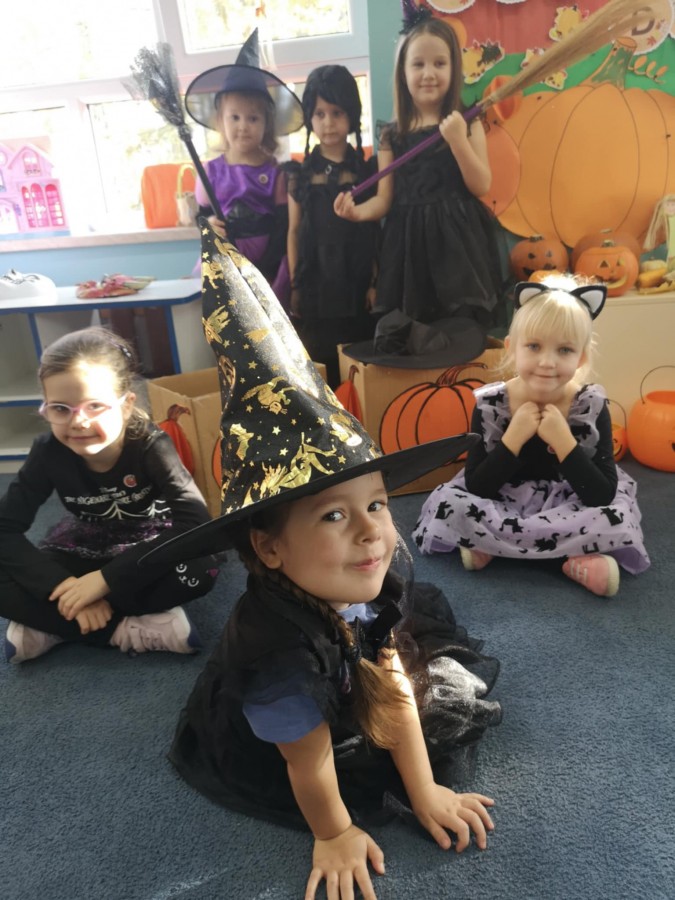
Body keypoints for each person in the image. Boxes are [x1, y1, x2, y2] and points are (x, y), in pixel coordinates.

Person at [141, 224, 501, 900]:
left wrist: (425, 788)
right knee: (324, 747)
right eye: (334, 515)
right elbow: (308, 768)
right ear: (268, 546)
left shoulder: (361, 583)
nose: (371, 533)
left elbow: (390, 675)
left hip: (334, 654)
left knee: (418, 677)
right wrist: (334, 832)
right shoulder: (276, 654)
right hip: (289, 715)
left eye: (376, 504)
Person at [413, 277, 651, 598]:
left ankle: (499, 547)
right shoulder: (491, 405)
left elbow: (601, 494)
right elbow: (478, 485)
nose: (547, 362)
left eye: (564, 350)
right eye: (534, 346)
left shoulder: (590, 406)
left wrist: (564, 442)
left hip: (569, 501)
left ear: (581, 358)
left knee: (615, 515)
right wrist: (513, 437)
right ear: (512, 347)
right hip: (502, 497)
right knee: (451, 504)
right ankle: (566, 555)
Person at [0, 327, 220, 664]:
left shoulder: (151, 445)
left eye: (95, 406)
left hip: (146, 546)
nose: (78, 422)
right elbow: (5, 528)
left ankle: (53, 626)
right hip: (82, 547)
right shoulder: (47, 452)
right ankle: (123, 630)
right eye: (60, 409)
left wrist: (105, 581)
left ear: (127, 405)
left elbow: (196, 524)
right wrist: (61, 586)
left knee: (202, 570)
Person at [333, 11, 505, 331]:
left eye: (439, 63)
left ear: (454, 68)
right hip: (408, 249)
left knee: (460, 330)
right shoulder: (392, 135)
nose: (428, 74)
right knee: (415, 334)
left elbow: (481, 185)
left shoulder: (467, 122)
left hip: (458, 247)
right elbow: (383, 200)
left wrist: (458, 140)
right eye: (418, 64)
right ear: (403, 72)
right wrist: (357, 213)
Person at [185, 28, 303, 302]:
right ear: (221, 121)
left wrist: (267, 269)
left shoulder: (275, 173)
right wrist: (209, 226)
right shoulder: (210, 172)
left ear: (266, 124)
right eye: (234, 117)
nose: (243, 126)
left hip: (266, 268)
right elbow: (202, 217)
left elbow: (282, 227)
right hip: (224, 264)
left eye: (253, 118)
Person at [285, 64, 379, 388]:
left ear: (352, 114)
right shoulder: (299, 174)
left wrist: (375, 281)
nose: (328, 122)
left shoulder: (366, 171)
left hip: (356, 280)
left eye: (337, 113)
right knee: (320, 361)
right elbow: (293, 230)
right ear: (309, 118)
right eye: (320, 113)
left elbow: (374, 230)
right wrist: (295, 285)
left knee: (358, 363)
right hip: (315, 282)